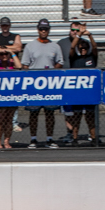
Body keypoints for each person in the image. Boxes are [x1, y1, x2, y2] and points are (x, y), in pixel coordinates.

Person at [21, 19, 63, 148]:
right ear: (38, 30)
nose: (43, 31)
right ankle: (33, 139)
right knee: (33, 113)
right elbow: (25, 65)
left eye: (45, 29)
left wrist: (52, 71)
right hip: (34, 85)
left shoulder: (55, 46)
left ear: (49, 30)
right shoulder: (30, 46)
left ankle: (49, 138)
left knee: (50, 112)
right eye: (41, 29)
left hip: (49, 85)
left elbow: (60, 62)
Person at [64, 36, 99, 146]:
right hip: (77, 93)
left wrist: (89, 35)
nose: (83, 50)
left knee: (90, 117)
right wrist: (78, 35)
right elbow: (72, 47)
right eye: (81, 48)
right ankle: (75, 138)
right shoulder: (74, 58)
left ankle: (94, 138)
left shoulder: (91, 57)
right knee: (76, 116)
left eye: (85, 48)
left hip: (89, 93)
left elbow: (95, 47)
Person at [0, 44, 22, 149]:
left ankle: (7, 141)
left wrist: (11, 52)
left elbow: (19, 66)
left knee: (9, 120)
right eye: (2, 54)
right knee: (0, 120)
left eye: (6, 54)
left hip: (12, 95)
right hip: (0, 95)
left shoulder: (12, 63)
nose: (4, 56)